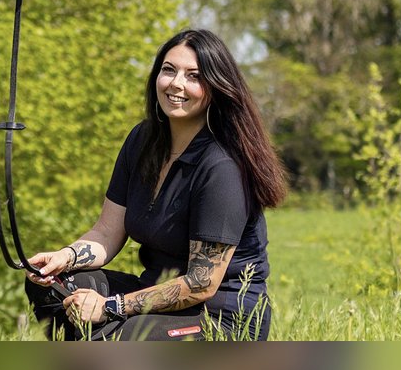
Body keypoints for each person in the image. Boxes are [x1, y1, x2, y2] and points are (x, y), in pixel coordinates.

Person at [26, 29, 287, 340]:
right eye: (168, 70)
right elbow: (107, 232)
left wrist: (110, 306)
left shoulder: (222, 167)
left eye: (194, 76)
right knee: (56, 284)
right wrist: (64, 257)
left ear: (215, 88)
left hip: (220, 317)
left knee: (127, 338)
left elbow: (201, 284)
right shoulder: (142, 140)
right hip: (155, 295)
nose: (176, 83)